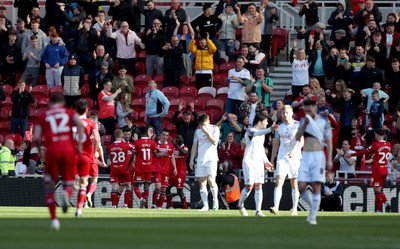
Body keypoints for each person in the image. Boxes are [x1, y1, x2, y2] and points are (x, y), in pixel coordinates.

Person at [33, 92, 84, 231]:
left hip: (52, 151)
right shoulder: (69, 112)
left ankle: (54, 221)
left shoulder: (44, 115)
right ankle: (66, 194)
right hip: (68, 150)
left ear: (50, 103)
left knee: (49, 186)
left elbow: (36, 137)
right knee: (69, 183)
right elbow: (80, 124)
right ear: (63, 103)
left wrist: (39, 149)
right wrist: (79, 144)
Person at [295, 99, 333, 225]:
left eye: (309, 110)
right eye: (305, 110)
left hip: (318, 156)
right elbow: (297, 137)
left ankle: (313, 216)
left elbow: (329, 141)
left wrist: (329, 159)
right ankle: (313, 207)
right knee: (301, 186)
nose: (307, 112)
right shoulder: (303, 120)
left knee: (316, 186)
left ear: (315, 108)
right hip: (305, 155)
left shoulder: (323, 122)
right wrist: (305, 125)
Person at [238, 113, 276, 217]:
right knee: (249, 186)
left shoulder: (262, 134)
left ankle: (258, 211)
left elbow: (261, 150)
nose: (267, 123)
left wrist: (266, 161)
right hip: (249, 162)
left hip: (258, 162)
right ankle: (240, 205)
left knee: (259, 185)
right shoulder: (250, 131)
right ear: (259, 122)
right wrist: (270, 129)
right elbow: (256, 133)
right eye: (265, 121)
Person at [346, 129, 391, 212]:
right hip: (385, 170)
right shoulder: (388, 144)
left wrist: (351, 154)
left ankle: (378, 210)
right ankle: (386, 203)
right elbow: (377, 155)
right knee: (379, 189)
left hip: (378, 171)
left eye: (375, 134)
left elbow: (364, 151)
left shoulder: (375, 145)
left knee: (376, 190)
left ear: (377, 134)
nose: (374, 136)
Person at [270, 105, 303, 215]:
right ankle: (276, 207)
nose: (285, 114)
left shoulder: (297, 125)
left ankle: (294, 208)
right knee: (279, 180)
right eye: (283, 112)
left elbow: (301, 142)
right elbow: (276, 143)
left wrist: (295, 151)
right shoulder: (279, 127)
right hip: (282, 157)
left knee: (294, 182)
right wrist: (272, 159)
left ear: (292, 113)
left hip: (294, 157)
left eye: (287, 112)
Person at [74, 99, 102, 216]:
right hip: (86, 156)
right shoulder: (92, 124)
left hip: (74, 156)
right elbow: (97, 139)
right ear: (86, 110)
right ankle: (79, 208)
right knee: (84, 183)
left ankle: (74, 189)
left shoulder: (71, 123)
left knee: (77, 182)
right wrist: (95, 152)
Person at [189, 113, 220, 211]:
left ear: (208, 122)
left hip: (211, 158)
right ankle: (205, 205)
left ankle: (215, 200)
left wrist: (206, 132)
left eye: (204, 124)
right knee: (202, 182)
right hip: (201, 159)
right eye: (201, 124)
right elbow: (194, 145)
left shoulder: (215, 128)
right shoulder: (197, 132)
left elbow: (215, 141)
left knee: (211, 180)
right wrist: (191, 159)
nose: (202, 126)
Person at [132, 126, 158, 208]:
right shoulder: (152, 142)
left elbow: (133, 155)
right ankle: (145, 205)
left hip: (140, 167)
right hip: (149, 167)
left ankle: (141, 199)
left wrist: (128, 164)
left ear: (139, 133)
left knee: (135, 185)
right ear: (147, 132)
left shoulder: (137, 142)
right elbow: (155, 154)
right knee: (146, 186)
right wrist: (163, 155)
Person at [108, 129, 135, 208]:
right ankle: (125, 204)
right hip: (124, 169)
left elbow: (110, 158)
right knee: (128, 185)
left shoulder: (110, 147)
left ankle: (113, 206)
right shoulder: (126, 145)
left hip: (114, 169)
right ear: (122, 135)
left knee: (114, 187)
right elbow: (134, 149)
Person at [152, 129, 177, 208]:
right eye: (163, 135)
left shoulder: (170, 146)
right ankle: (153, 205)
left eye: (166, 135)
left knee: (163, 189)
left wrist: (175, 168)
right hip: (157, 169)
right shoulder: (156, 145)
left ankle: (159, 207)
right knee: (158, 187)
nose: (165, 137)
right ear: (160, 135)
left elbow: (172, 157)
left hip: (166, 170)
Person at [166, 134, 189, 209]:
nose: (177, 139)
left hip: (180, 171)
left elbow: (184, 153)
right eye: (176, 138)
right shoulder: (172, 147)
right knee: (167, 189)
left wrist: (176, 145)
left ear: (182, 139)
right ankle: (170, 206)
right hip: (171, 171)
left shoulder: (185, 147)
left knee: (179, 190)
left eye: (179, 138)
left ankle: (184, 207)